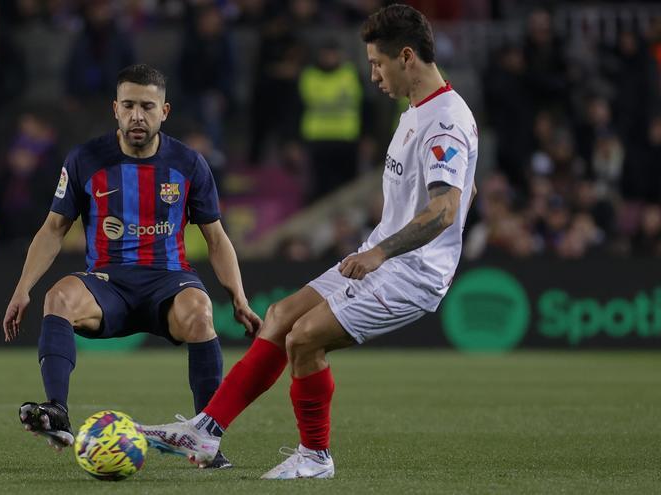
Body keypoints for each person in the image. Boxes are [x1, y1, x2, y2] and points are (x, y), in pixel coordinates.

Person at [140, 4, 479, 480]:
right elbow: (463, 192)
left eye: (377, 64)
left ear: (407, 57)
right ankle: (206, 428)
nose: (374, 75)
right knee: (279, 317)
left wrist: (380, 251)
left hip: (412, 274)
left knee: (303, 340)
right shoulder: (416, 113)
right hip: (382, 257)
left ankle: (315, 457)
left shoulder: (442, 120)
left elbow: (445, 208)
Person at [1, 64, 261, 470]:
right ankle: (57, 411)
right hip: (109, 284)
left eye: (147, 106)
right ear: (115, 109)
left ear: (165, 111)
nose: (137, 115)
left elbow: (216, 238)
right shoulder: (86, 158)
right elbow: (53, 229)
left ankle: (207, 436)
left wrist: (239, 299)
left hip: (168, 282)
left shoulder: (189, 164)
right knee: (59, 297)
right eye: (128, 105)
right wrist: (23, 288)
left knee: (200, 311)